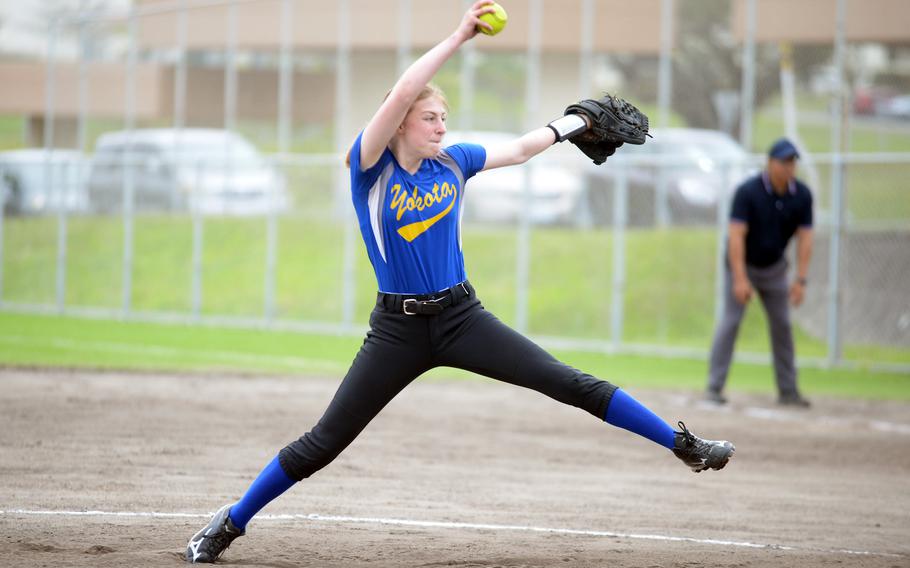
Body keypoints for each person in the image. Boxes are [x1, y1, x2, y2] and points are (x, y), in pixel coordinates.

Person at [185, 3, 734, 563]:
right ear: (400, 125)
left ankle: (683, 444)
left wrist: (574, 123)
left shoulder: (455, 161)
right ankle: (228, 524)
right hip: (397, 331)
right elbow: (402, 91)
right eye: (430, 119)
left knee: (571, 383)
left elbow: (521, 149)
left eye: (443, 118)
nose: (441, 127)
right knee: (323, 443)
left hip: (462, 318)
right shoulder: (370, 168)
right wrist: (458, 36)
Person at [705, 137, 814, 407]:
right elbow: (736, 237)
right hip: (742, 264)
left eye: (792, 162)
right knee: (730, 322)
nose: (789, 167)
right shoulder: (748, 192)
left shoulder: (801, 195)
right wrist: (740, 279)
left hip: (775, 268)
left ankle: (788, 391)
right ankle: (714, 387)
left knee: (783, 326)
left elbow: (806, 238)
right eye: (783, 161)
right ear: (769, 163)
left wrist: (800, 279)